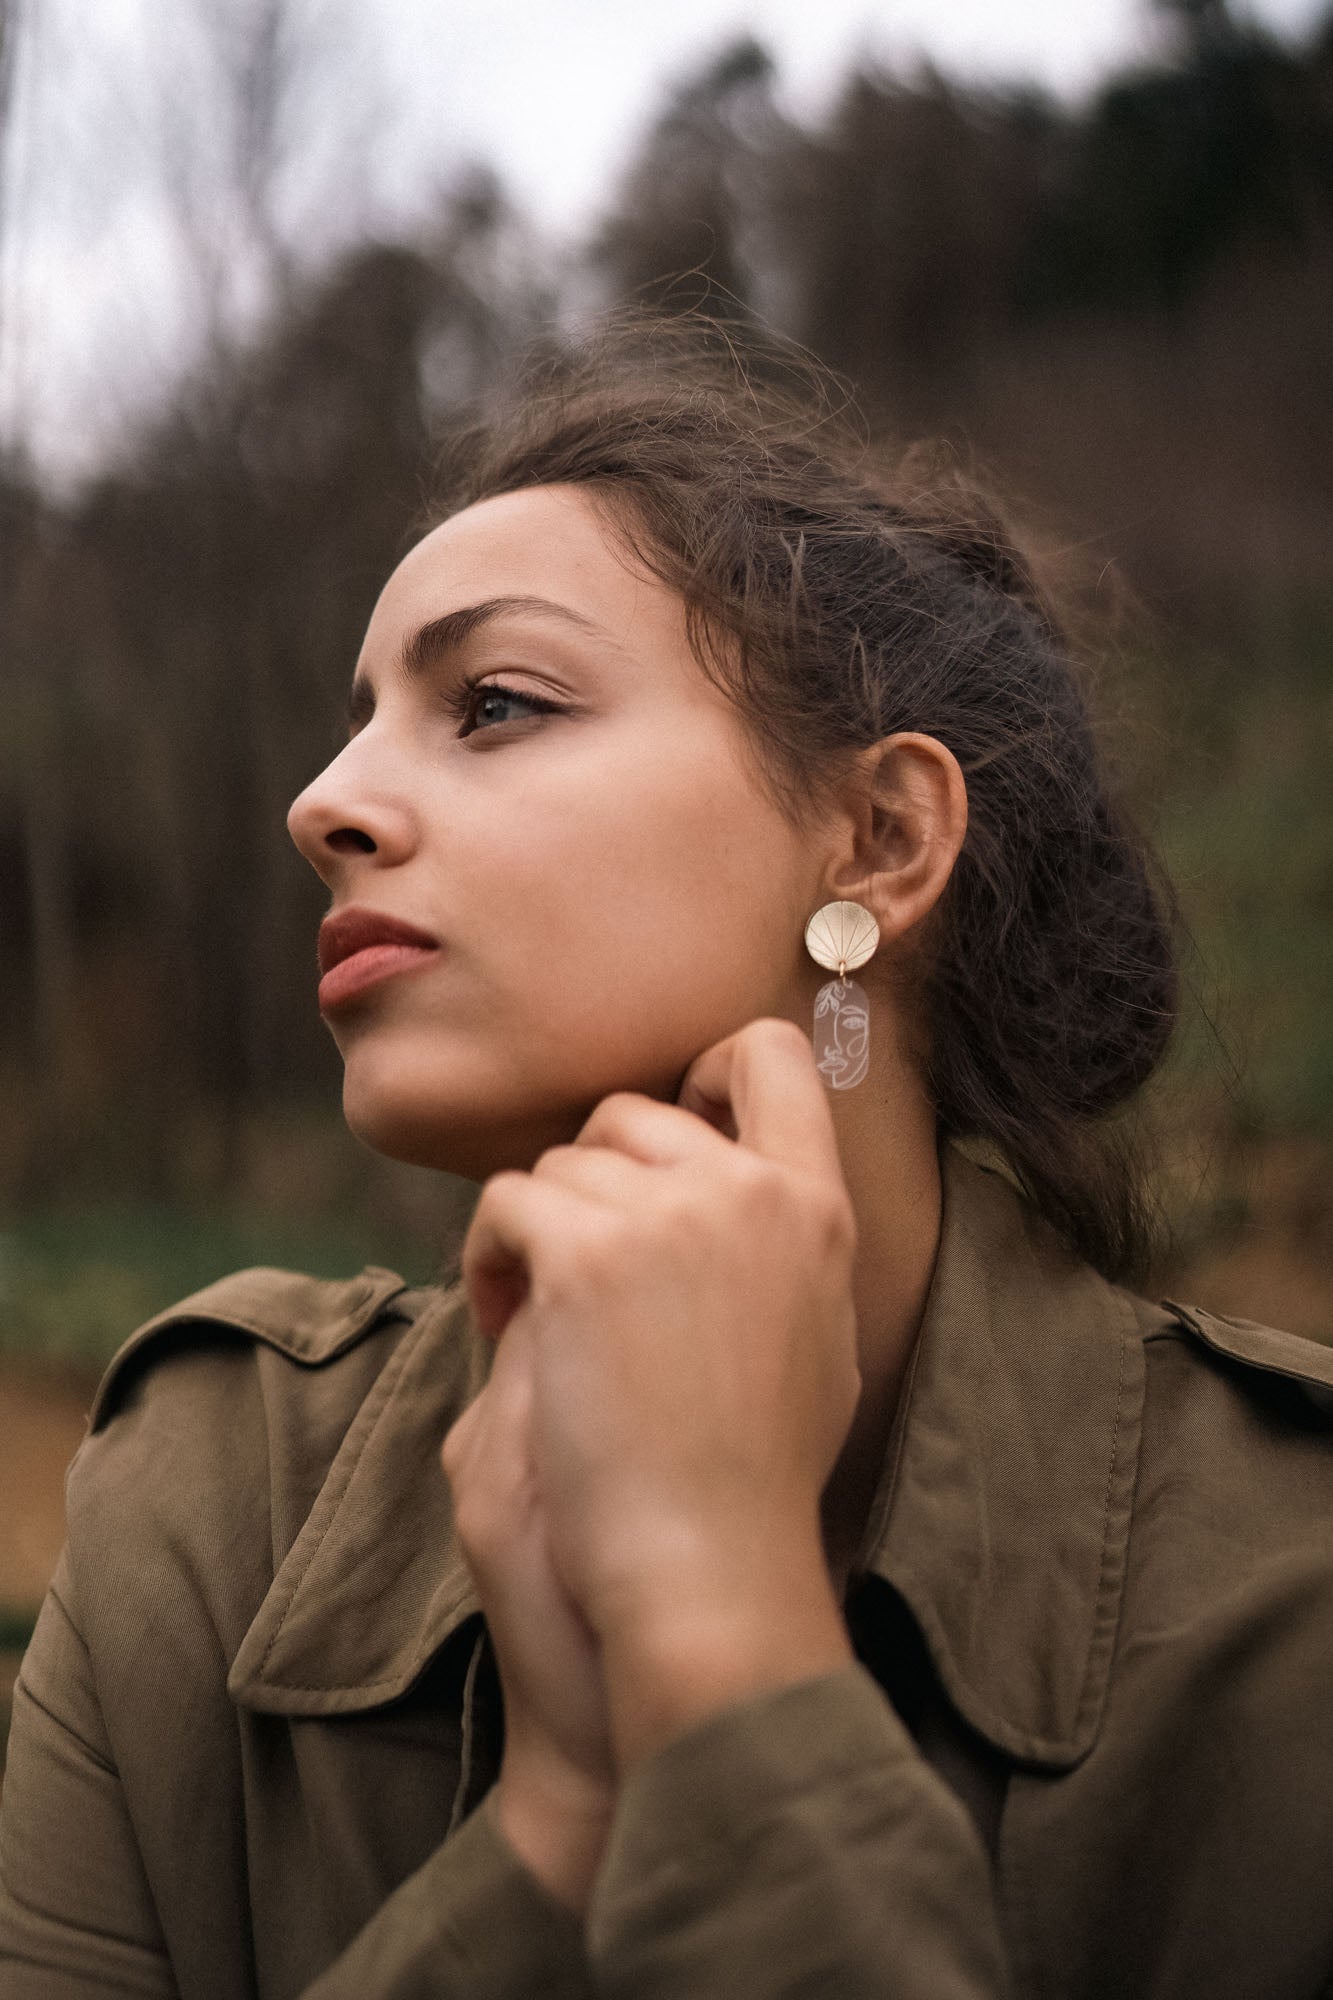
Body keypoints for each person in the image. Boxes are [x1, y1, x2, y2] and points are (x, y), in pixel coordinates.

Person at [3, 316, 1332, 2000]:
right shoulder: (203, 1506)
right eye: (359, 723)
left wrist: (727, 1662)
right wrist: (559, 1825)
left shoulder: (1295, 1594)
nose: (321, 803)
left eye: (493, 703)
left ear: (880, 837)